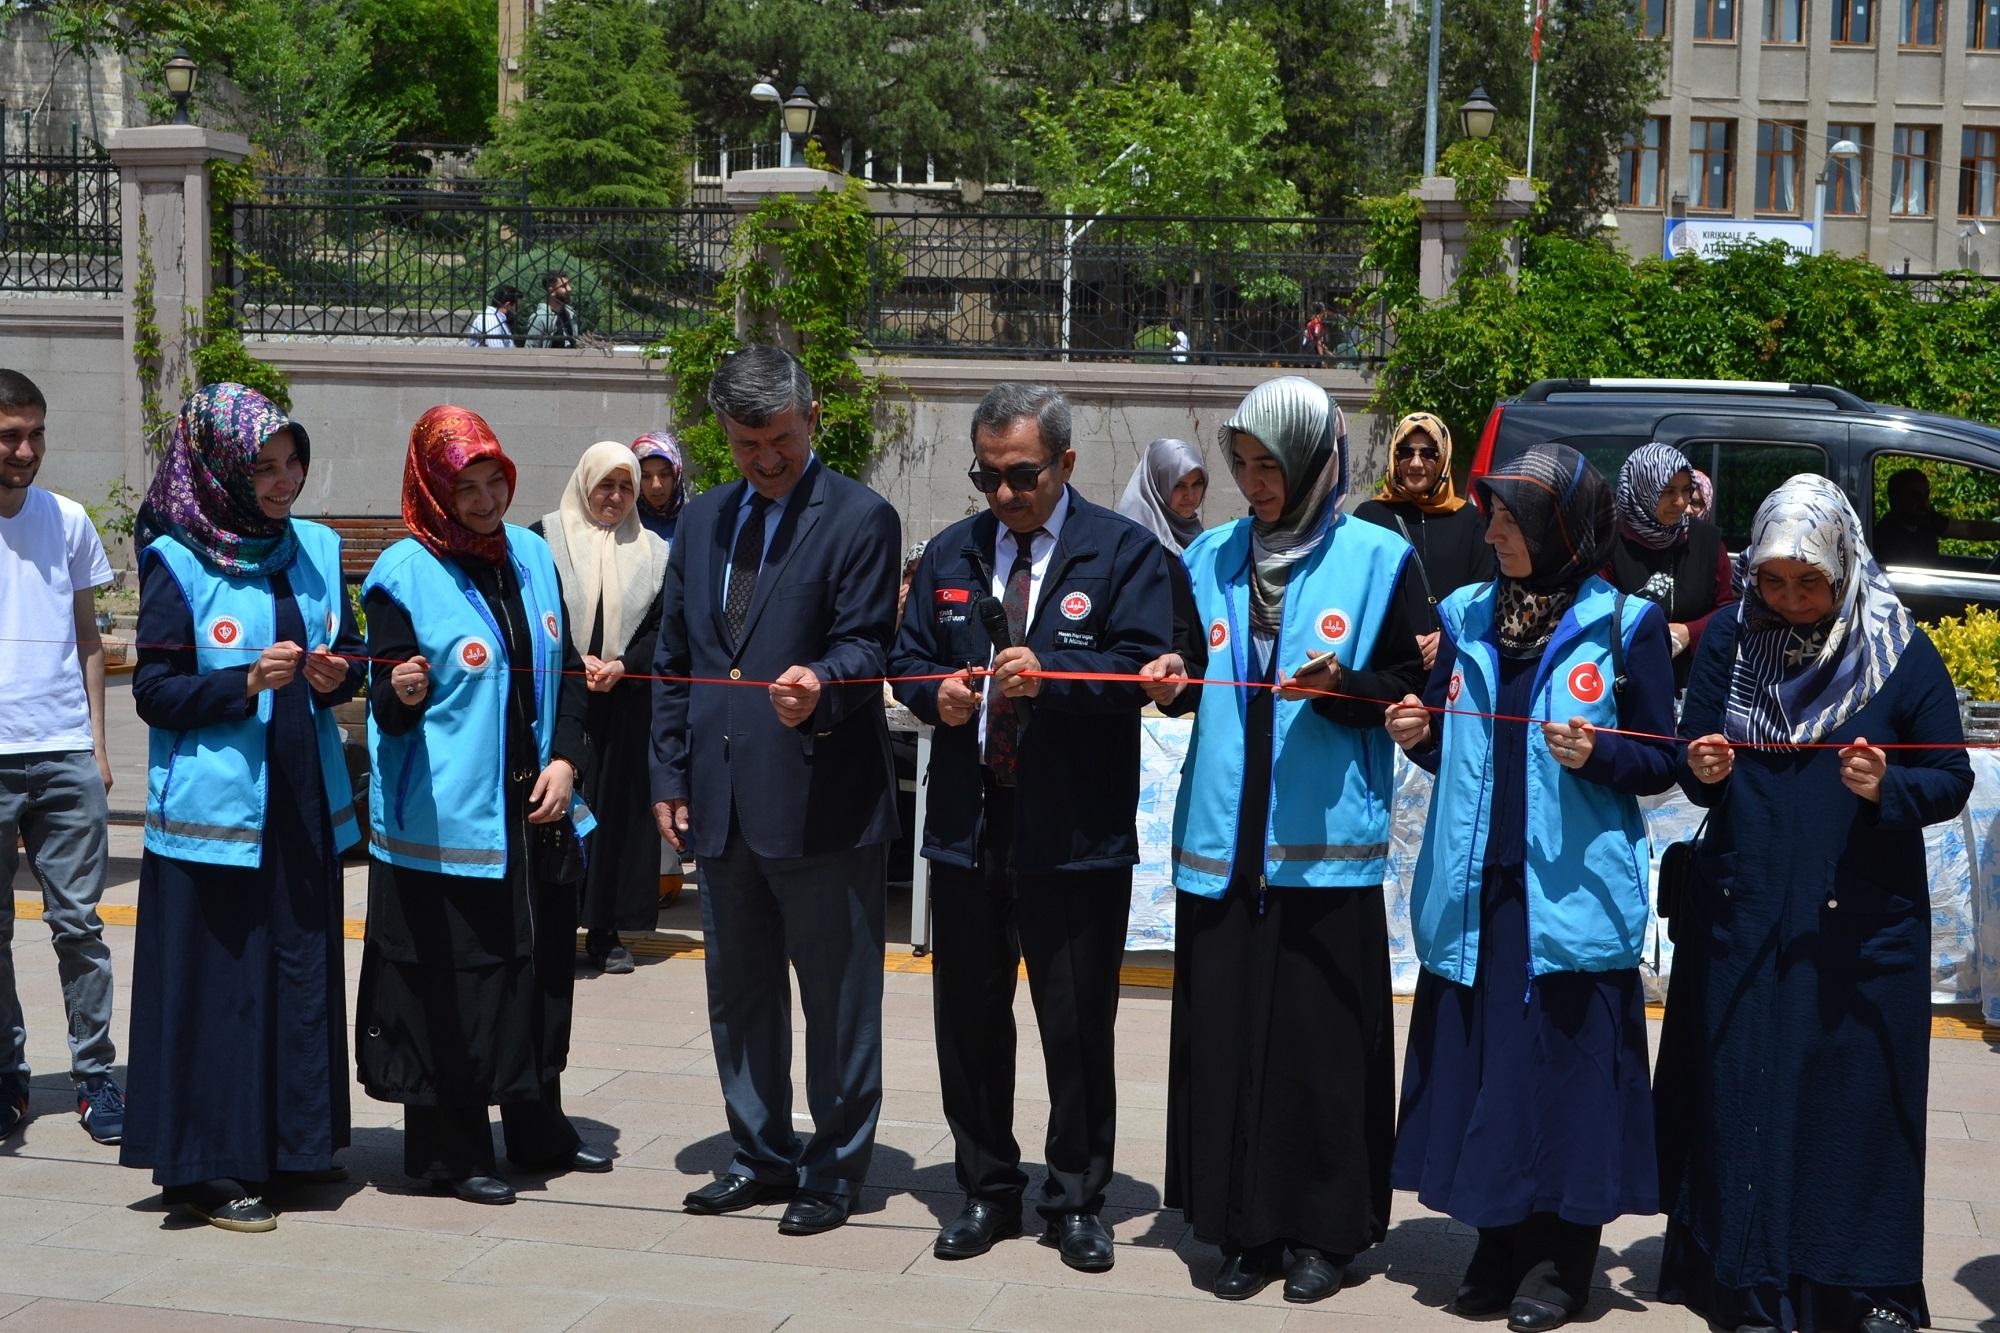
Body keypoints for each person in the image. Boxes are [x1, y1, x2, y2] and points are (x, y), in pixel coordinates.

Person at [1655, 475, 1974, 1333]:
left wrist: (1887, 785)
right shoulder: (1730, 637)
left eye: (1808, 582)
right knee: (1748, 1093)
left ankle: (1863, 1287)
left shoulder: (1895, 648)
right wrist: (1705, 767)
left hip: (1861, 925)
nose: (1790, 601)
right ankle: (1750, 1282)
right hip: (1749, 913)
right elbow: (1692, 754)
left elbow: (1952, 776)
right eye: (1771, 580)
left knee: (1853, 1103)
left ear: (1843, 566)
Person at [1139, 377, 1425, 1305]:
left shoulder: (1383, 559)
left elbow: (1414, 688)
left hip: (1322, 846)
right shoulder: (1207, 558)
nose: (1256, 485)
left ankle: (1322, 1235)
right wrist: (1169, 680)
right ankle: (1238, 1228)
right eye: (1244, 465)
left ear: (1312, 463)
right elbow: (1179, 669)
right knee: (1226, 1036)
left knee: (1320, 1044)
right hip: (1222, 843)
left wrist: (1345, 684)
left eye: (1273, 466)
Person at [1384, 442, 1678, 1332]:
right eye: (1495, 514)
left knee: (1568, 1080)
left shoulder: (1624, 624)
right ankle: (1496, 1241)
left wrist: (1604, 753)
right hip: (1482, 894)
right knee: (1492, 1078)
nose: (1496, 529)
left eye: (1514, 516)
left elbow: (1662, 758)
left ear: (1563, 525)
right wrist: (1414, 731)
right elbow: (1447, 739)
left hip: (1571, 896)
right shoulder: (1470, 612)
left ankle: (1561, 1262)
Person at [891, 383, 1171, 1273]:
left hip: (1075, 831)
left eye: (1022, 475)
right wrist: (929, 692)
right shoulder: (951, 551)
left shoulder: (1124, 552)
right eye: (988, 475)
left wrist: (1051, 674)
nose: (1005, 494)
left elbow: (1147, 668)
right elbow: (904, 660)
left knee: (1076, 1023)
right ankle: (986, 1187)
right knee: (970, 1020)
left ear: (1066, 464)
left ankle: (1078, 1197)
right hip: (971, 825)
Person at [652, 345, 901, 1237]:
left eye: (781, 440)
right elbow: (676, 660)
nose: (765, 458)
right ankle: (758, 1151)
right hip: (720, 801)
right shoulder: (704, 518)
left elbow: (872, 645)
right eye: (747, 442)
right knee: (741, 991)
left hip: (822, 800)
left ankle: (832, 1170)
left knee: (837, 1000)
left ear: (813, 419)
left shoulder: (861, 517)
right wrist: (669, 772)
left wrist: (821, 684)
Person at [120, 383, 363, 1231]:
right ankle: (211, 1167)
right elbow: (154, 690)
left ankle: (295, 1145)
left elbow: (355, 651)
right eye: (263, 465)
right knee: (222, 985)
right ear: (221, 468)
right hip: (211, 819)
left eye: (291, 461)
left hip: (300, 801)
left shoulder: (318, 549)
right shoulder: (177, 561)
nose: (283, 479)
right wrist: (242, 683)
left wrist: (344, 674)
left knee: (294, 968)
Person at [355, 404, 609, 1205]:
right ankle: (451, 1149)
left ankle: (538, 1123)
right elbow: (384, 694)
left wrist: (566, 759)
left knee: (534, 971)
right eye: (464, 485)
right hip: (446, 823)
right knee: (452, 980)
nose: (484, 497)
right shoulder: (401, 572)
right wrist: (397, 689)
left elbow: (564, 668)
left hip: (532, 809)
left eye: (493, 478)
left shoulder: (532, 554)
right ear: (433, 488)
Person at [0, 368, 120, 1147]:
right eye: (10, 435)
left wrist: (99, 749)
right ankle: (9, 1078)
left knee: (79, 926)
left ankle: (95, 1078)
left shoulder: (69, 519)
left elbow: (90, 642)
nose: (26, 449)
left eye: (36, 433)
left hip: (65, 752)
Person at [532, 442, 669, 976]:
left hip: (623, 703)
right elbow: (532, 607)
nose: (615, 497)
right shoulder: (542, 538)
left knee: (612, 818)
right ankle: (552, 922)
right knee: (553, 807)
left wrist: (624, 665)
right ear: (584, 483)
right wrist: (574, 658)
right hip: (558, 697)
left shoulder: (655, 551)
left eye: (626, 487)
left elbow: (665, 628)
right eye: (605, 486)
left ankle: (606, 928)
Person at [1355, 411, 1495, 670]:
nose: (1416, 463)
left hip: (1451, 667)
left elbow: (1484, 593)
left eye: (1428, 454)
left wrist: (1448, 638)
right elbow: (1358, 594)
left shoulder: (1469, 519)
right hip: (1387, 668)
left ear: (1442, 458)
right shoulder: (1369, 517)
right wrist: (1401, 641)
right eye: (1406, 452)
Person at [1604, 443, 1735, 688]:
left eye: (1686, 490)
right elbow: (1598, 615)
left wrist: (1690, 632)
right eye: (1667, 491)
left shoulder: (1706, 541)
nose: (1680, 502)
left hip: (1694, 680)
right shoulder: (1610, 543)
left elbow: (1729, 610)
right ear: (1642, 489)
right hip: (1626, 682)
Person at [1116, 436, 1209, 669]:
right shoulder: (1135, 543)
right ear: (1157, 485)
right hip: (1156, 674)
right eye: (1178, 485)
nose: (1190, 496)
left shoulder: (1198, 536)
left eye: (1197, 484)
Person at [1873, 465, 2000, 566]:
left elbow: (1969, 530)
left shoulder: (1927, 520)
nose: (1923, 502)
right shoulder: (1885, 537)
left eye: (1926, 495)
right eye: (1915, 496)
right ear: (1895, 499)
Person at [630, 431, 685, 545]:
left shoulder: (694, 521)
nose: (656, 485)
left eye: (664, 475)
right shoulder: (626, 523)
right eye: (645, 476)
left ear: (676, 474)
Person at [524, 272, 577, 349]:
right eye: (563, 286)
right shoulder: (540, 318)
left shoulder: (571, 314)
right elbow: (531, 349)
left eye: (568, 284)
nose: (569, 289)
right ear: (552, 291)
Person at [465, 285, 522, 349]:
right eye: (517, 307)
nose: (518, 311)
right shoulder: (492, 320)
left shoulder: (498, 319)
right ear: (507, 305)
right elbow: (497, 353)